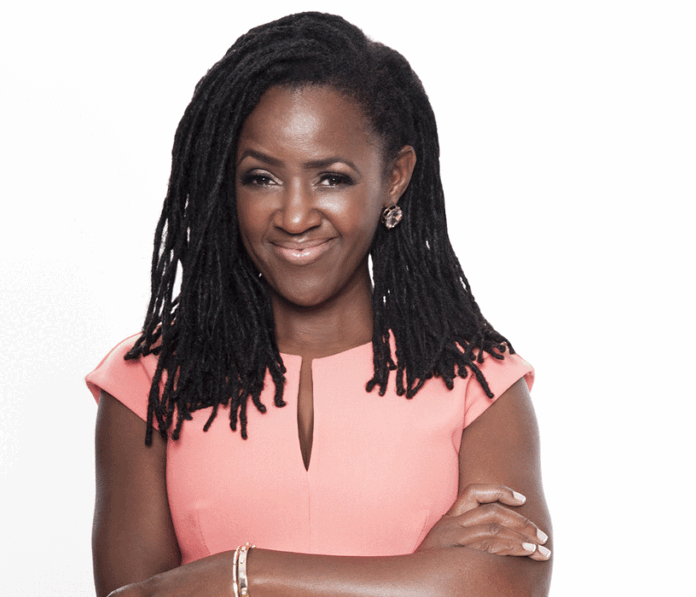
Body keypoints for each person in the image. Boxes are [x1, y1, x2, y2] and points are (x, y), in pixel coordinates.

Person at [86, 12, 552, 597]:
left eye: (331, 178)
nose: (295, 216)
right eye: (261, 178)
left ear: (395, 177)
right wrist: (422, 573)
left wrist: (238, 574)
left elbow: (508, 588)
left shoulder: (476, 384)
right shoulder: (150, 382)